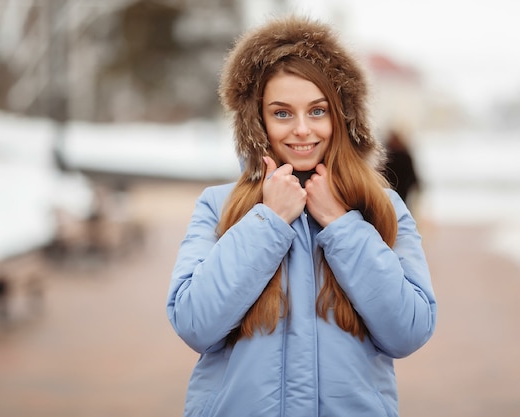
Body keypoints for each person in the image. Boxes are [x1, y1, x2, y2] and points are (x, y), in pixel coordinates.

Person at [166, 16, 436, 417]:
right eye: (281, 113)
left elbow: (409, 331)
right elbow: (194, 323)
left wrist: (343, 226)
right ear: (256, 121)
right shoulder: (218, 206)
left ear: (342, 117)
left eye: (317, 111)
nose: (302, 130)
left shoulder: (381, 207)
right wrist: (268, 222)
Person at [384, 129, 421, 208]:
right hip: (400, 192)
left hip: (392, 191)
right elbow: (413, 177)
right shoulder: (404, 156)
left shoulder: (386, 156)